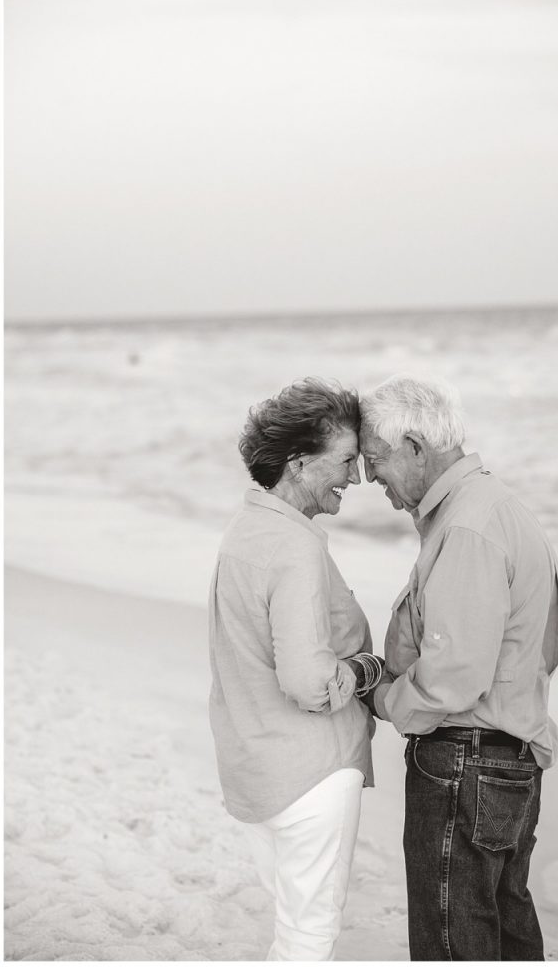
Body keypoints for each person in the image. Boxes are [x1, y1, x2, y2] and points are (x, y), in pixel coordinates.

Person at [359, 373, 558, 962]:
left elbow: (452, 679)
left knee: (453, 943)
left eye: (376, 459)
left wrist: (383, 700)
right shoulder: (495, 508)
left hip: (466, 764)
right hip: (505, 759)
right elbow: (541, 653)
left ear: (416, 447)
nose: (370, 476)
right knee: (504, 936)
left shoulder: (469, 526)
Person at [208, 378, 383, 962]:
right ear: (301, 462)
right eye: (345, 462)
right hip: (310, 771)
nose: (354, 479)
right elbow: (309, 684)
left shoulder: (246, 527)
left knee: (291, 920)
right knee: (309, 933)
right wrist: (367, 669)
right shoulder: (295, 547)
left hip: (256, 762)